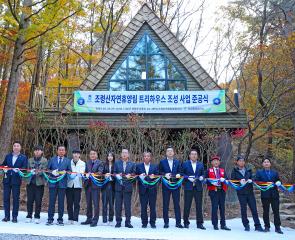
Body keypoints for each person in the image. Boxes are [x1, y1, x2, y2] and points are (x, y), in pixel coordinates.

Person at [231, 155, 264, 232]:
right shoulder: (234, 171)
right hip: (241, 193)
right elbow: (232, 181)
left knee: (254, 209)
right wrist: (239, 182)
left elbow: (253, 178)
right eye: (240, 161)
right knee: (243, 209)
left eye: (243, 161)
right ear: (237, 162)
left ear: (244, 162)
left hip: (250, 192)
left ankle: (258, 225)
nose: (241, 162)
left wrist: (251, 180)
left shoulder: (248, 170)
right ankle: (246, 225)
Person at [1, 141, 28, 223]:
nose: (16, 147)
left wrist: (19, 170)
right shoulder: (8, 156)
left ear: (20, 148)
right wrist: (4, 168)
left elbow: (25, 169)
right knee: (6, 198)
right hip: (7, 180)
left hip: (16, 180)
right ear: (12, 147)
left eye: (17, 146)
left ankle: (14, 217)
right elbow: (3, 165)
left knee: (16, 199)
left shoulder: (23, 157)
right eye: (14, 146)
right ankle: (6, 216)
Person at [255, 157, 283, 234]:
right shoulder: (259, 172)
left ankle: (278, 227)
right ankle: (267, 226)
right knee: (266, 211)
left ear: (270, 164)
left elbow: (278, 180)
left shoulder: (275, 172)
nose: (266, 163)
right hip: (265, 194)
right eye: (265, 162)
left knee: (276, 211)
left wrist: (279, 182)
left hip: (274, 195)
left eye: (268, 162)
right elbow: (256, 181)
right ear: (262, 164)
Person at [159, 146, 183, 228]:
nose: (169, 152)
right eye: (168, 151)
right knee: (165, 204)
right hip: (166, 186)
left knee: (177, 204)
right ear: (166, 153)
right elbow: (159, 172)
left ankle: (178, 223)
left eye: (171, 151)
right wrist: (164, 174)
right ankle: (166, 222)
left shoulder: (177, 162)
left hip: (176, 185)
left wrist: (179, 174)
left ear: (173, 153)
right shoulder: (162, 162)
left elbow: (181, 172)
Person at [46, 145, 71, 226]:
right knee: (51, 202)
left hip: (62, 184)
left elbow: (70, 171)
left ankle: (60, 219)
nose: (61, 151)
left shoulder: (68, 161)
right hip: (52, 183)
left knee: (61, 202)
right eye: (60, 150)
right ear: (57, 151)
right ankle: (50, 219)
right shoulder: (52, 159)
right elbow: (47, 170)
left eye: (63, 150)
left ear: (65, 151)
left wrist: (66, 172)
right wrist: (51, 172)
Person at [181, 149, 205, 229]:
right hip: (188, 187)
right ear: (189, 155)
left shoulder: (200, 164)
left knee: (199, 205)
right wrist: (188, 178)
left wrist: (202, 177)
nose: (194, 155)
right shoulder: (185, 164)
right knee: (187, 205)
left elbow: (203, 174)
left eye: (195, 154)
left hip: (198, 187)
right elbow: (181, 174)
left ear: (197, 156)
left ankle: (199, 223)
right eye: (192, 154)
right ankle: (186, 222)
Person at [205, 155, 230, 231]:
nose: (216, 162)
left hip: (222, 191)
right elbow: (206, 180)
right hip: (214, 191)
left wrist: (224, 179)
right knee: (214, 207)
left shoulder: (222, 170)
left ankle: (223, 224)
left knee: (222, 208)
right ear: (212, 162)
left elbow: (227, 180)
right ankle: (215, 224)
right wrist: (212, 182)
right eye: (214, 161)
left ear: (219, 162)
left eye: (217, 161)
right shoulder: (209, 170)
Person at [114, 148, 136, 228]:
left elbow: (134, 173)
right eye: (123, 153)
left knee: (127, 206)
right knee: (118, 206)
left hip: (128, 187)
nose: (124, 154)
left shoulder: (132, 164)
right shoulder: (116, 163)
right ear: (121, 154)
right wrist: (117, 175)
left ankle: (128, 222)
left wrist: (130, 175)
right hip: (118, 187)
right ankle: (118, 222)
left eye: (126, 153)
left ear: (128, 155)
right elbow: (114, 172)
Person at [81, 149, 104, 227]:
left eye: (94, 154)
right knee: (88, 203)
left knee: (96, 204)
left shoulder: (100, 163)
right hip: (88, 186)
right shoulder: (87, 163)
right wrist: (85, 175)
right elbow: (85, 172)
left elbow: (100, 173)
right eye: (91, 154)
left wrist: (92, 174)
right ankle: (89, 219)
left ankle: (95, 220)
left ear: (96, 155)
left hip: (95, 186)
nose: (92, 155)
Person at [136, 151, 159, 228]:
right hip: (143, 190)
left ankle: (153, 222)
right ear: (143, 158)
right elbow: (135, 177)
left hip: (152, 189)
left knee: (152, 206)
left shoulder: (155, 166)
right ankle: (144, 223)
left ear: (150, 157)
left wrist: (154, 176)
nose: (146, 157)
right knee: (143, 207)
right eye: (145, 156)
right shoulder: (139, 166)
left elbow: (158, 177)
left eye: (148, 156)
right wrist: (140, 177)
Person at [25, 145, 47, 224]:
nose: (37, 151)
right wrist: (30, 171)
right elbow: (26, 170)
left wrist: (38, 172)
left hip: (39, 183)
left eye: (39, 150)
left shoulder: (44, 160)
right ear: (34, 152)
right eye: (36, 150)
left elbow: (45, 170)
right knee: (30, 200)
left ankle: (37, 216)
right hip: (30, 183)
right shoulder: (30, 160)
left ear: (42, 152)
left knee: (38, 201)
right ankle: (29, 216)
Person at [66, 149, 85, 225]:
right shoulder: (68, 162)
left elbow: (82, 173)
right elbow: (67, 171)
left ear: (79, 155)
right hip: (69, 185)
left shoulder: (82, 163)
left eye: (77, 153)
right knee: (69, 203)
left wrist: (78, 174)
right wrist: (69, 174)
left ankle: (75, 218)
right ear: (72, 154)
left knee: (76, 203)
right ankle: (70, 218)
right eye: (74, 153)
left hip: (78, 185)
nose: (76, 155)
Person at [102, 152, 115, 225]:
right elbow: (101, 174)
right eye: (108, 156)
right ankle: (104, 220)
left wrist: (111, 176)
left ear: (113, 157)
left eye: (111, 156)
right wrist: (105, 175)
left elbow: (117, 175)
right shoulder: (104, 165)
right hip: (105, 186)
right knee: (104, 204)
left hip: (112, 187)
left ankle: (110, 219)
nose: (110, 157)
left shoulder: (115, 165)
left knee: (111, 204)